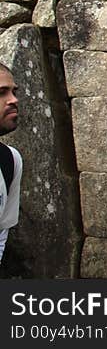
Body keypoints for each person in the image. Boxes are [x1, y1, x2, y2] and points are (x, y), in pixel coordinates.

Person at [0, 63, 21, 265]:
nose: (13, 100)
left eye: (14, 92)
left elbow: (1, 234)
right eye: (2, 93)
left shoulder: (10, 160)